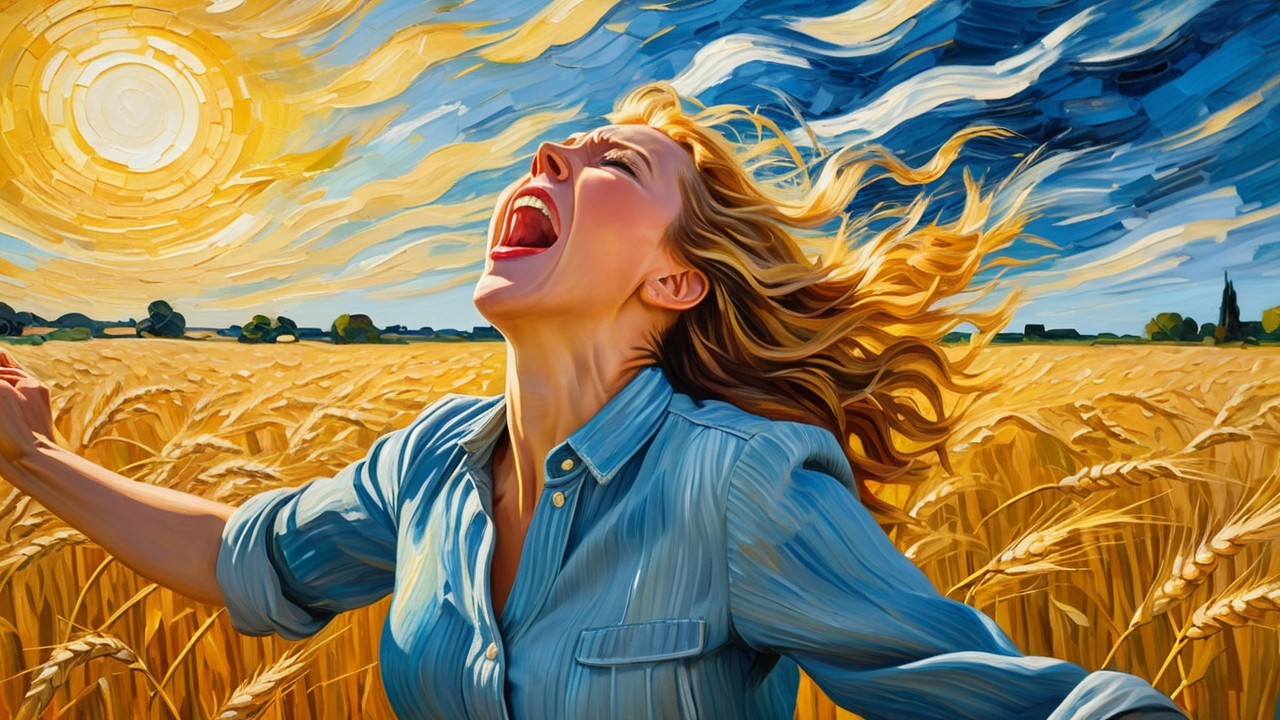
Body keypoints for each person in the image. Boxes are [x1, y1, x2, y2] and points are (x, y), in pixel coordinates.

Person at [0, 82, 1183, 719]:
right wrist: (28, 454)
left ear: (674, 278)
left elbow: (1033, 704)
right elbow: (243, 558)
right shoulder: (429, 470)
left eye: (612, 162)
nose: (549, 156)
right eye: (548, 155)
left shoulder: (737, 483)